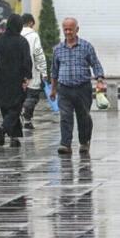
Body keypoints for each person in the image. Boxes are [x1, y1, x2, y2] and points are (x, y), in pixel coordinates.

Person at [50, 17, 105, 154]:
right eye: (65, 29)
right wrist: (53, 89)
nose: (68, 32)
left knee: (83, 116)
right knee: (65, 116)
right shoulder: (58, 49)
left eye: (70, 29)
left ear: (77, 30)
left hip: (82, 88)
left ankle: (84, 141)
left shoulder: (86, 46)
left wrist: (99, 79)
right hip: (64, 89)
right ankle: (65, 144)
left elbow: (96, 64)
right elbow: (54, 71)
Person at [0, 14, 32, 147]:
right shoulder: (22, 41)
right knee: (15, 108)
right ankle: (4, 128)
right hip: (16, 80)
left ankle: (14, 138)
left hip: (0, 79)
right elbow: (27, 61)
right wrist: (27, 78)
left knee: (5, 107)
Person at [21, 13, 48, 129]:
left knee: (20, 95)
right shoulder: (34, 35)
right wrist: (44, 72)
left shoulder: (16, 34)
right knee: (32, 96)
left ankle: (22, 113)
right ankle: (27, 119)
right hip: (32, 71)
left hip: (18, 72)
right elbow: (39, 54)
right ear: (31, 22)